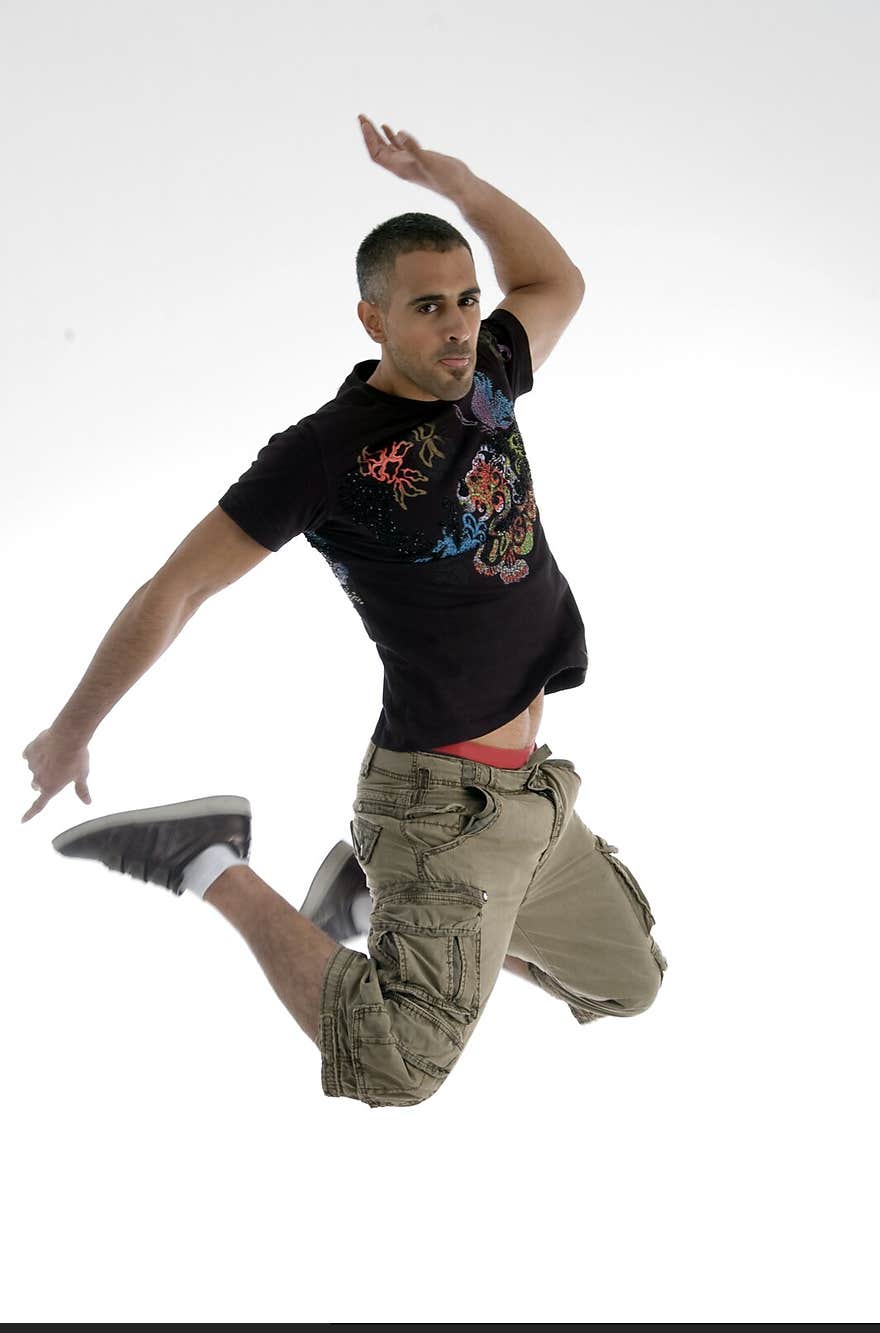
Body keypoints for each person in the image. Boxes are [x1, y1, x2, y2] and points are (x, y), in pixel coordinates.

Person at [21, 116, 667, 1108]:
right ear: (372, 321)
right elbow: (174, 588)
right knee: (397, 1067)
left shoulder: (487, 374)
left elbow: (555, 285)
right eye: (426, 308)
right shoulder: (324, 455)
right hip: (436, 807)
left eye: (465, 300)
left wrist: (461, 184)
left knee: (628, 986)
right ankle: (205, 860)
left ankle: (371, 905)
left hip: (530, 796)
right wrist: (73, 728)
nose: (457, 325)